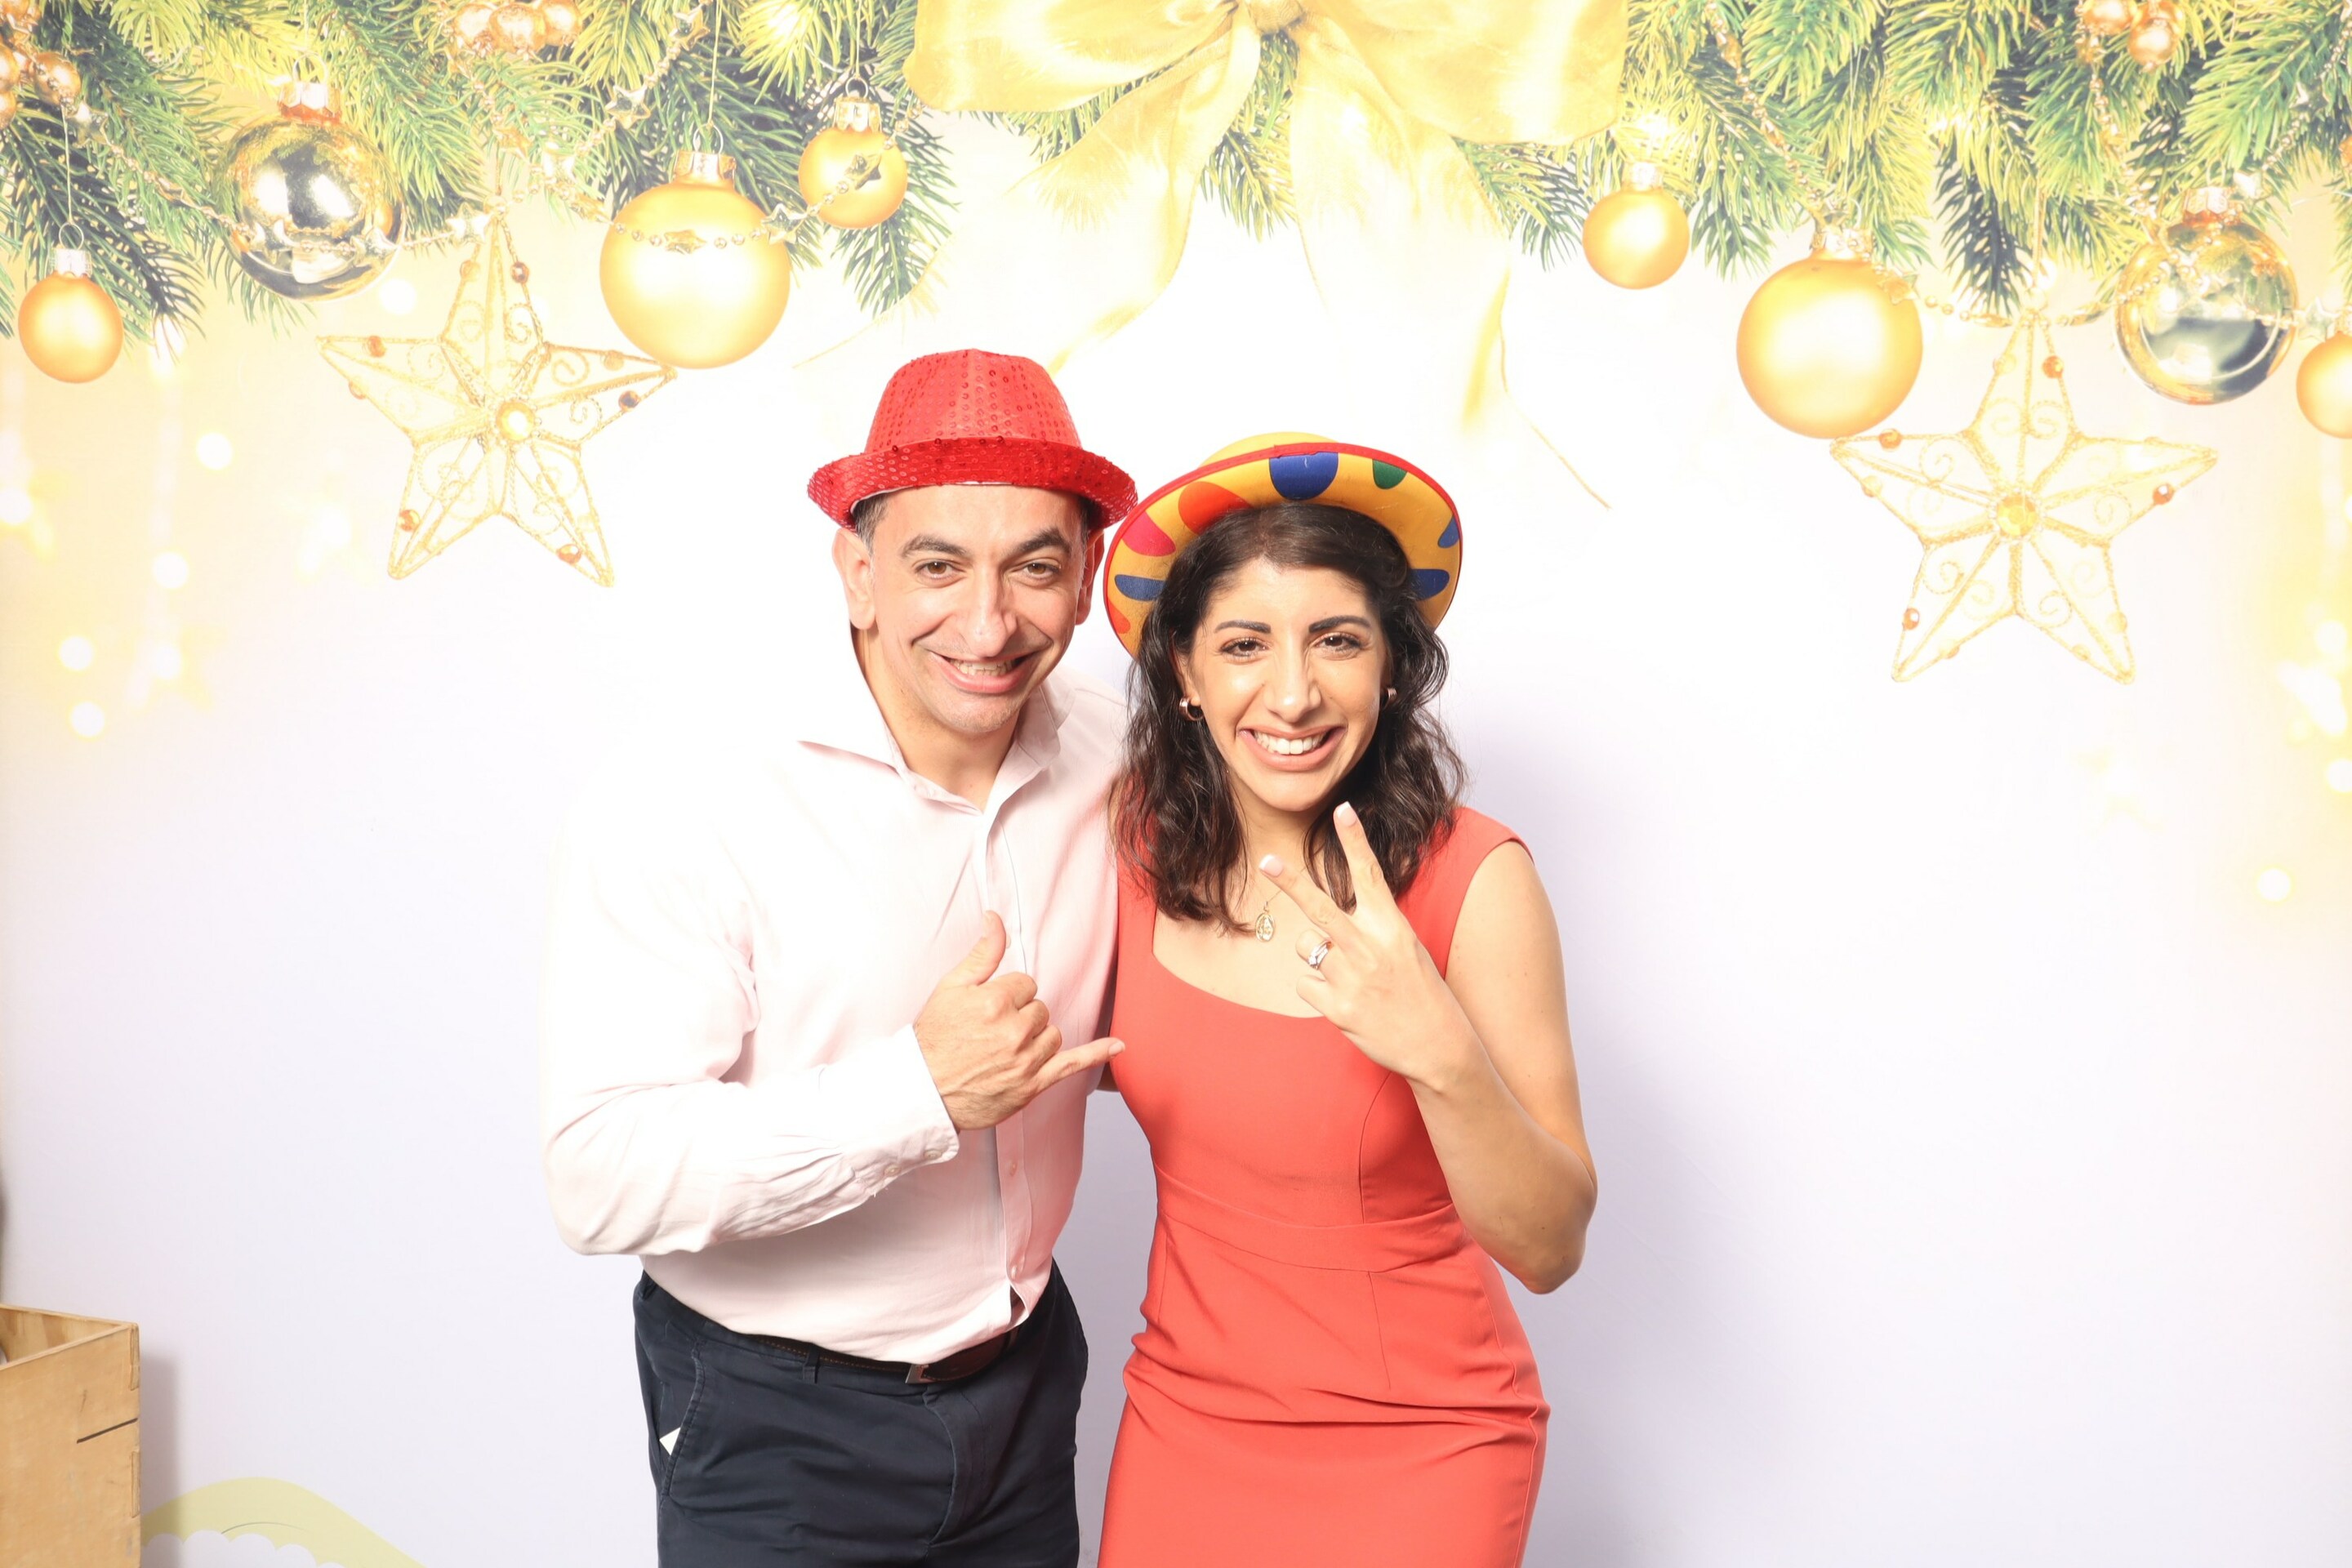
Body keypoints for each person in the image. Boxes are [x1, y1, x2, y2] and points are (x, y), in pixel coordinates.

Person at [537, 350, 1136, 1567]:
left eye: (1034, 568)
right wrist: (916, 1093)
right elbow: (597, 1175)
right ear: (858, 575)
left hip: (1028, 1391)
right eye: (937, 566)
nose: (988, 624)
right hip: (774, 1425)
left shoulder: (1118, 759)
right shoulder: (692, 792)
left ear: (1086, 580)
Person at [1092, 436, 1599, 1566]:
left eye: (1338, 640)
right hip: (1185, 1424)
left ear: (1393, 667)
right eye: (1244, 644)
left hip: (1424, 1445)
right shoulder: (1126, 849)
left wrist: (1439, 1052)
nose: (1293, 693)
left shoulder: (1477, 878)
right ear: (1183, 673)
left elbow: (1551, 1245)